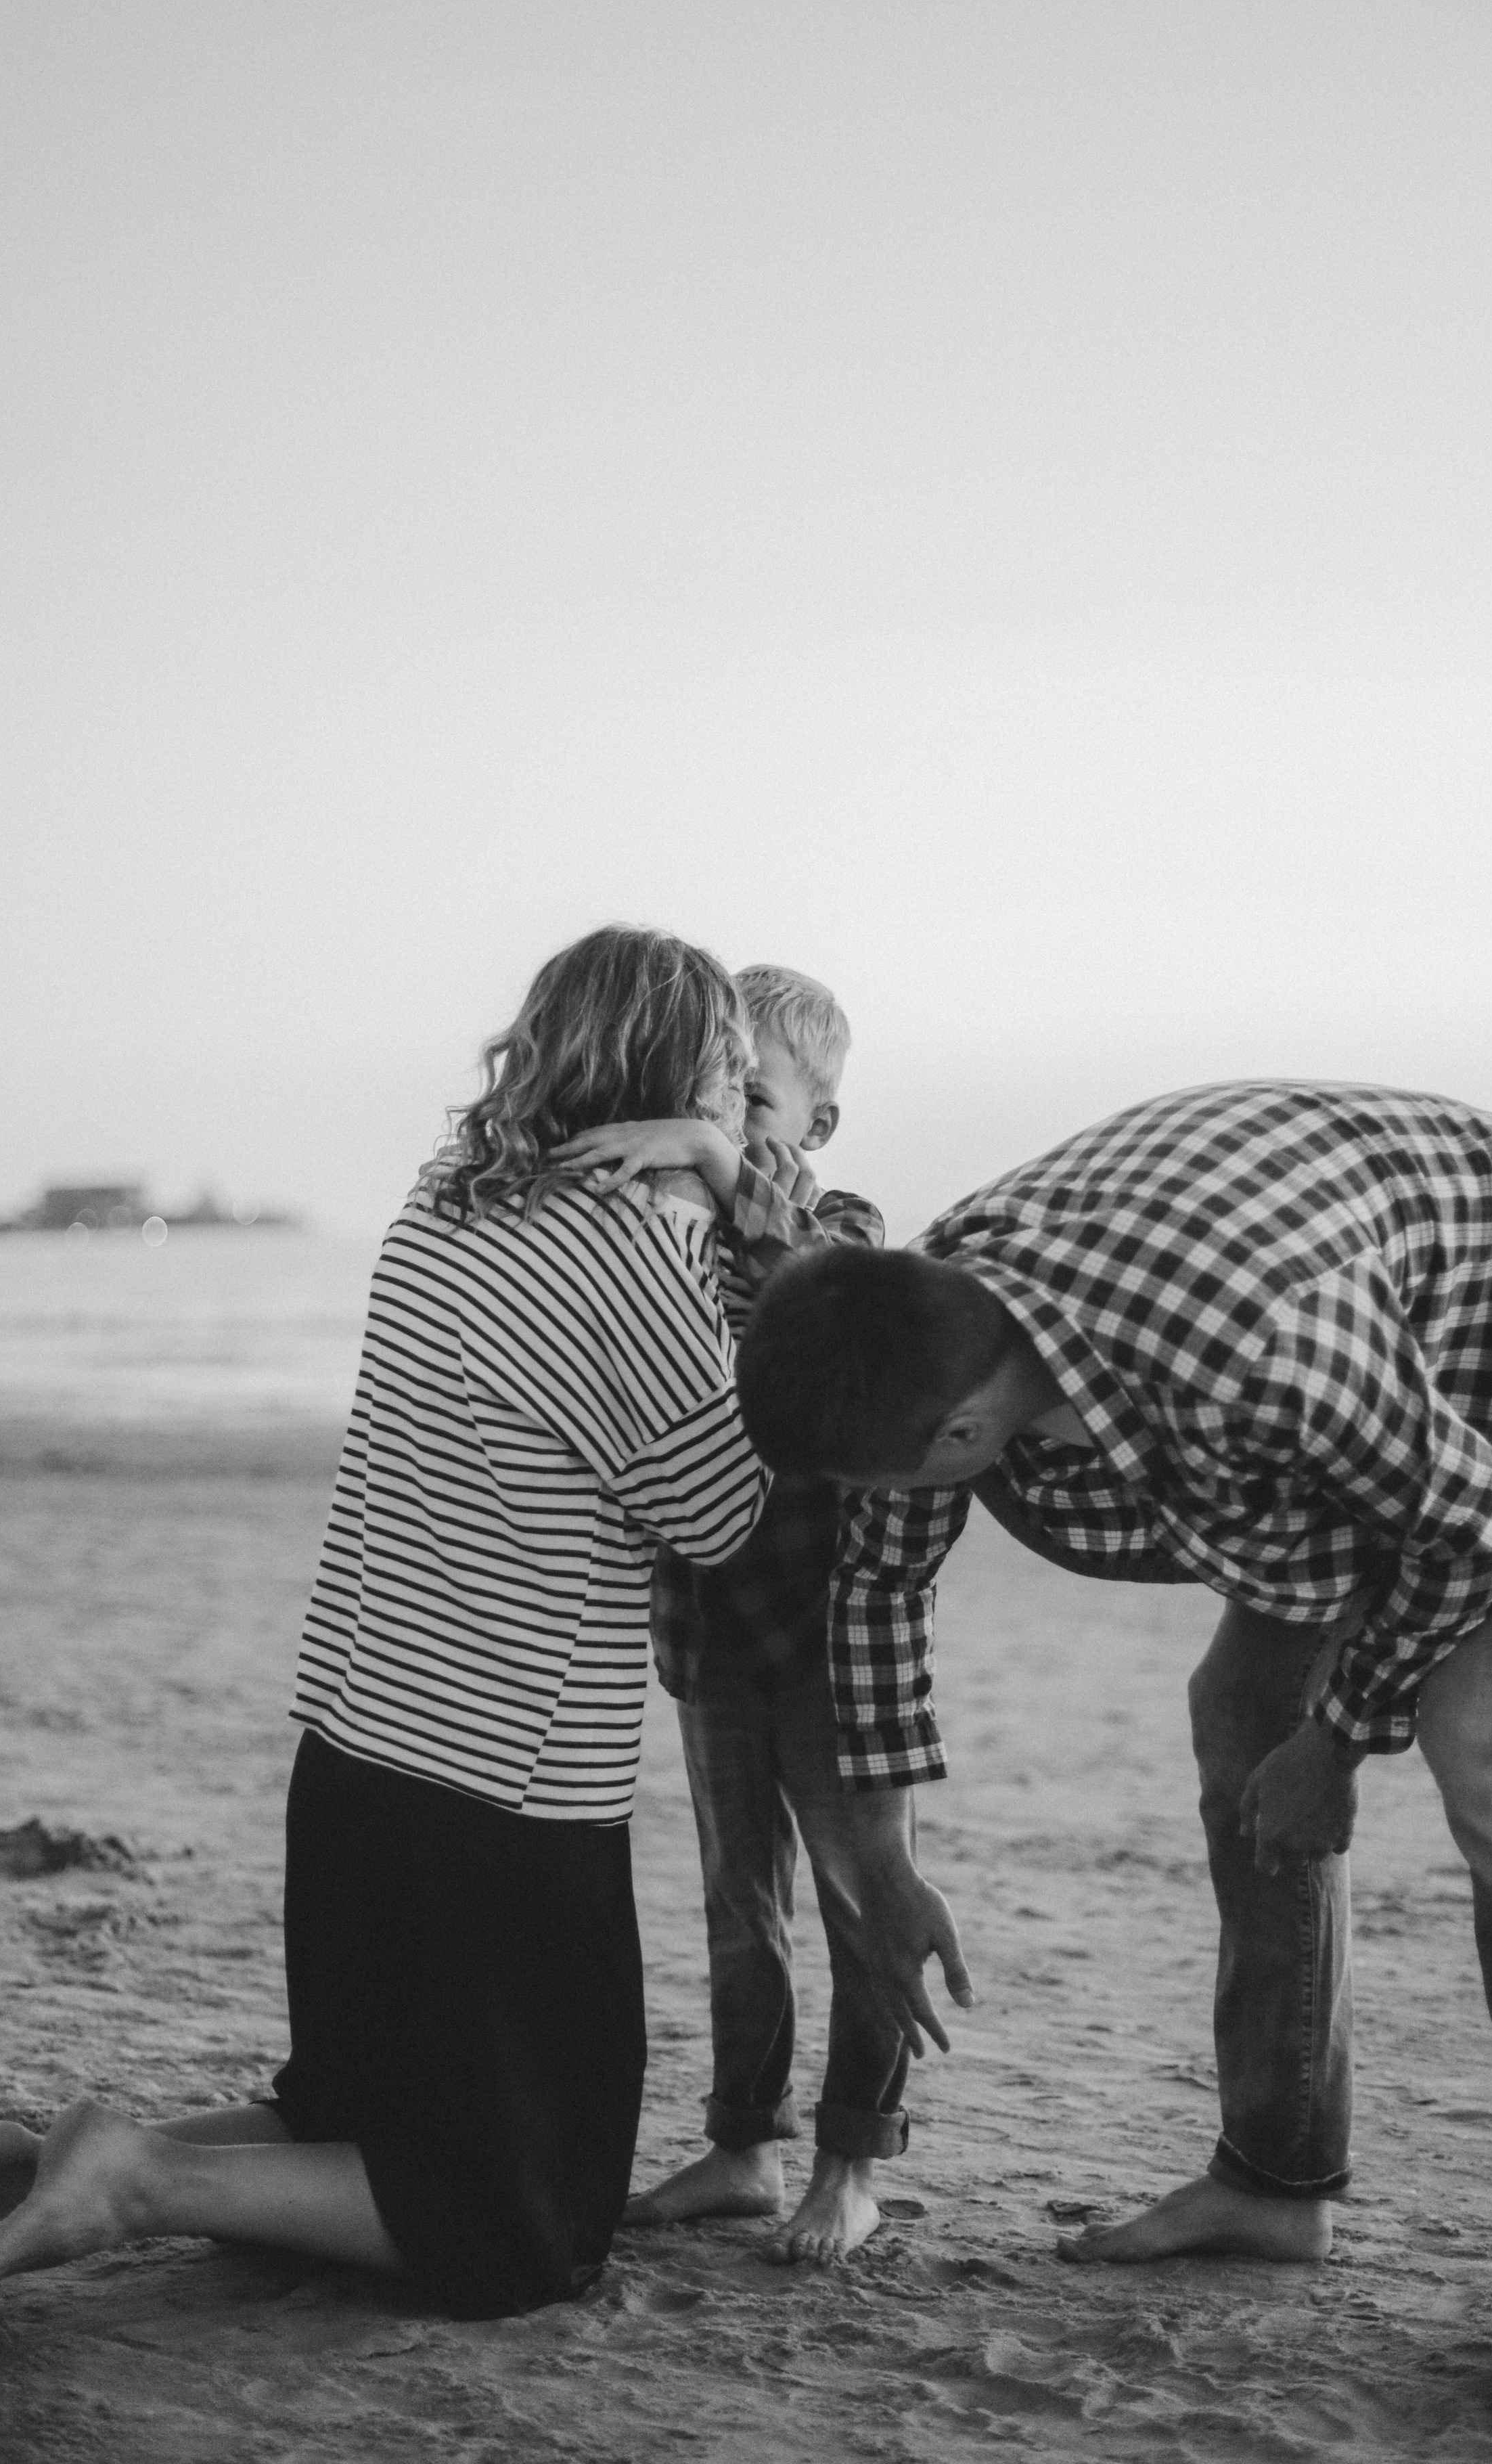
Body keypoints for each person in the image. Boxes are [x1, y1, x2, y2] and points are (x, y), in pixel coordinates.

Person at [0, 925, 769, 2349]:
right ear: (686, 1076)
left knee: (350, 2111)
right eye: (733, 1076)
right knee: (522, 2218)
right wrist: (734, 1205)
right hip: (504, 1791)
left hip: (355, 1752)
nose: (738, 1100)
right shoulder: (627, 1257)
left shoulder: (441, 1203)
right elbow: (722, 1517)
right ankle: (137, 2177)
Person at [733, 1079, 1492, 2418]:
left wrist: (1343, 1737)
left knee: (1485, 1741)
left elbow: (1472, 1526)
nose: (863, 1513)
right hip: (1385, 1387)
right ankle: (1271, 2184)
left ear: (960, 1431)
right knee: (1240, 1719)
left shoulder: (1255, 1346)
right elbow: (879, 1601)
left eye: (871, 1485)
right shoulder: (933, 1326)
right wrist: (884, 1869)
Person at [557, 966, 905, 2264]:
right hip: (707, 1623)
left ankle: (853, 2163)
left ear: (813, 1123)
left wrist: (717, 1163)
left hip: (833, 1638)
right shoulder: (671, 1235)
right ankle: (744, 2143)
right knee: (736, 1901)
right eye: (712, 1092)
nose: (727, 1118)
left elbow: (842, 1327)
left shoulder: (842, 1229)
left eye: (752, 1098)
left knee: (860, 1896)